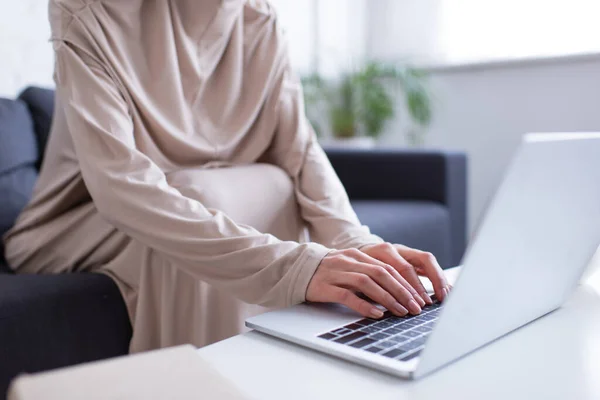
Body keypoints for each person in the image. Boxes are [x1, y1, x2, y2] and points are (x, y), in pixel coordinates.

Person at [3, 0, 450, 352]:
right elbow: (120, 185)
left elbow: (299, 151)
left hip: (192, 199)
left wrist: (357, 243)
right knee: (201, 192)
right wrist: (293, 267)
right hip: (71, 227)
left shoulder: (260, 19)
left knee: (268, 185)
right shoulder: (90, 11)